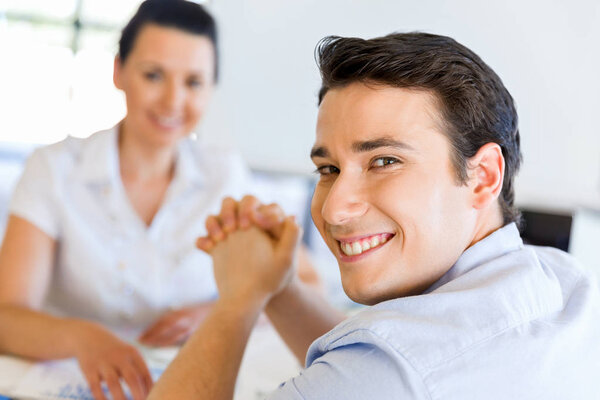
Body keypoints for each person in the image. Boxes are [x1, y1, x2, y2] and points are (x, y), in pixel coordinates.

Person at [148, 32, 600, 399]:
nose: (334, 208)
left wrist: (236, 301)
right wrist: (278, 286)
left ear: (482, 176)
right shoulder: (563, 283)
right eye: (328, 169)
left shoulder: (386, 374)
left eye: (384, 161)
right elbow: (393, 356)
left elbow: (387, 370)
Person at [0, 1, 319, 399]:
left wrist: (220, 314)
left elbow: (302, 278)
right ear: (118, 72)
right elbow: (6, 317)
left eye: (193, 82)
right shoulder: (53, 169)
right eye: (154, 75)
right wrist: (83, 338)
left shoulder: (224, 175)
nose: (173, 101)